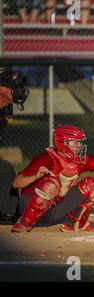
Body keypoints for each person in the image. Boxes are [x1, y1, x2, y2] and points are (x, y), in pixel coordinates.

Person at [10, 125, 94, 233]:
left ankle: (73, 224)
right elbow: (16, 183)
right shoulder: (46, 158)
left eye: (80, 143)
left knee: (91, 185)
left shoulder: (79, 160)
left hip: (52, 210)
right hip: (27, 206)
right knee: (52, 183)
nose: (80, 146)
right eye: (76, 143)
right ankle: (24, 223)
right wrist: (35, 176)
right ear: (64, 142)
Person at [0, 69, 30, 222]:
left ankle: (8, 212)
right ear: (2, 88)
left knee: (5, 170)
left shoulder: (6, 109)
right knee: (4, 169)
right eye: (16, 87)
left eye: (21, 87)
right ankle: (7, 212)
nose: (20, 91)